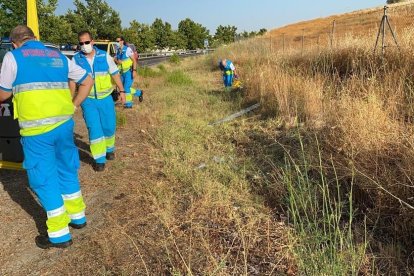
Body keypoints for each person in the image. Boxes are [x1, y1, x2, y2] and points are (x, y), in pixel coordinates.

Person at [0, 25, 94, 249]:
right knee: (66, 169)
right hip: (63, 125)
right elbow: (87, 80)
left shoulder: (13, 57)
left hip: (36, 130)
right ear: (34, 38)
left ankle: (59, 234)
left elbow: (3, 93)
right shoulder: (58, 55)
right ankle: (78, 217)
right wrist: (74, 105)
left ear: (14, 43)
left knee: (43, 179)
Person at [71, 31, 126, 172]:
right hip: (87, 100)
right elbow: (71, 81)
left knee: (108, 126)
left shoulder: (104, 56)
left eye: (86, 42)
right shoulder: (76, 59)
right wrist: (71, 99)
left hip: (106, 98)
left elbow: (115, 74)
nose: (84, 45)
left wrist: (122, 91)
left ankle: (110, 148)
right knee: (94, 128)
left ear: (92, 42)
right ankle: (99, 159)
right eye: (81, 43)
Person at [114, 36, 138, 108]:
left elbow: (134, 60)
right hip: (121, 72)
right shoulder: (117, 50)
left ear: (122, 41)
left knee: (126, 88)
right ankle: (139, 93)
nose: (116, 43)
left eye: (118, 41)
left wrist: (134, 71)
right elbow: (116, 59)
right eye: (116, 41)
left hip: (129, 71)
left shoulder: (127, 49)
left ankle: (128, 104)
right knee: (123, 88)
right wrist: (117, 61)